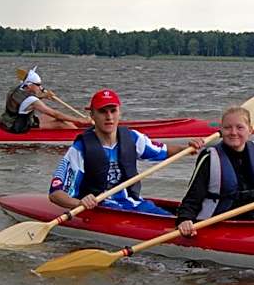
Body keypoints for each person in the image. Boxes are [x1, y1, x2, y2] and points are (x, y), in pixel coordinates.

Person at [49, 89, 204, 215]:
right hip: (101, 210)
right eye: (103, 111)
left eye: (113, 111)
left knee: (169, 217)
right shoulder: (80, 149)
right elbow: (56, 194)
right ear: (92, 115)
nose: (109, 117)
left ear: (119, 113)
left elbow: (164, 151)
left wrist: (188, 148)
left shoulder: (133, 138)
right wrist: (80, 203)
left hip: (134, 204)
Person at [175, 105, 254, 238]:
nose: (233, 132)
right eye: (227, 128)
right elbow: (193, 197)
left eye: (240, 127)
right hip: (221, 223)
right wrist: (184, 219)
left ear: (250, 130)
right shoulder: (210, 158)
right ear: (221, 131)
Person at [0, 67, 87, 132]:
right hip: (18, 127)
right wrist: (79, 120)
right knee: (61, 123)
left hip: (9, 120)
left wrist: (44, 95)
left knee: (49, 117)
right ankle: (78, 136)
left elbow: (24, 101)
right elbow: (56, 114)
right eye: (38, 85)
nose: (41, 87)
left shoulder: (18, 88)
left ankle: (76, 128)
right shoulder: (31, 100)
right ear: (29, 85)